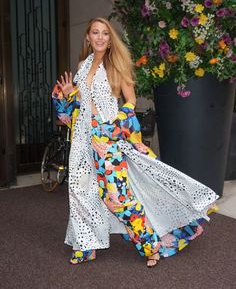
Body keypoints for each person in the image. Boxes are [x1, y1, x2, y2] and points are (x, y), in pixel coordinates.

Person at [52, 17, 219, 268]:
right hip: (82, 142)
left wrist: (110, 129)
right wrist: (67, 94)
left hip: (108, 141)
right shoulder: (83, 65)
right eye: (95, 33)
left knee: (117, 198)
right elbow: (78, 108)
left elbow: (130, 104)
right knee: (80, 192)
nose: (99, 37)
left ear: (110, 39)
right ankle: (86, 246)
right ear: (87, 37)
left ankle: (150, 245)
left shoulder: (116, 65)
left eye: (105, 34)